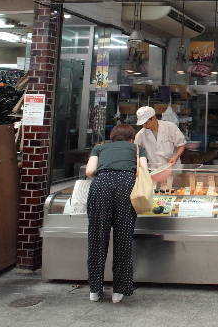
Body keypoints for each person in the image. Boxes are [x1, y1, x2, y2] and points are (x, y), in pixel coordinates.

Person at [84, 123, 148, 303]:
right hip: (125, 187)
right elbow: (144, 171)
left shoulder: (99, 148)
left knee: (97, 237)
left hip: (101, 186)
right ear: (131, 137)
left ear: (112, 136)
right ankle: (119, 291)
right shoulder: (137, 148)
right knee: (123, 238)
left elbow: (89, 171)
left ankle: (95, 290)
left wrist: (106, 173)